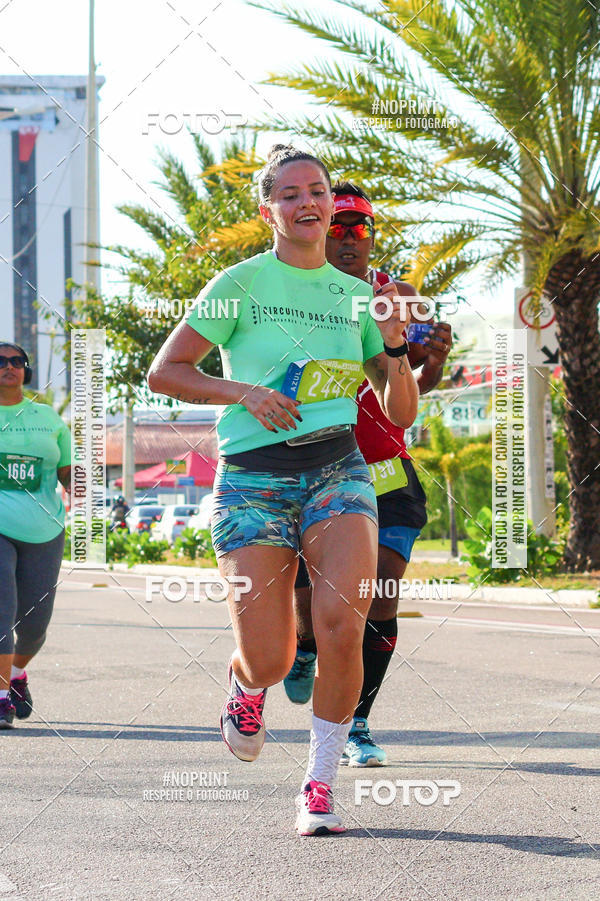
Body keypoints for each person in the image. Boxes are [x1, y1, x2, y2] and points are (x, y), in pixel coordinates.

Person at [147, 145, 419, 835]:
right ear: (268, 208)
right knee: (271, 656)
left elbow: (401, 410)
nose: (307, 203)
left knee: (341, 628)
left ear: (331, 203)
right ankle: (245, 684)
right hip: (254, 479)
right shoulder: (238, 283)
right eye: (291, 193)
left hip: (338, 469)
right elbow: (166, 371)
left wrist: (392, 347)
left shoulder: (357, 295)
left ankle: (319, 786)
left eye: (318, 191)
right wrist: (244, 392)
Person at [283, 182, 453, 766]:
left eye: (361, 227)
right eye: (339, 226)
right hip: (313, 470)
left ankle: (357, 723)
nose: (350, 237)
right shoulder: (292, 296)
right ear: (318, 227)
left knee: (380, 596)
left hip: (385, 471)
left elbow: (406, 394)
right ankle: (304, 647)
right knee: (314, 612)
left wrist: (431, 359)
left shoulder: (396, 296)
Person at [0, 343, 71, 728]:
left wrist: (78, 482)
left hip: (45, 528)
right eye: (0, 361)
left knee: (33, 627)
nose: (9, 367)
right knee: (1, 610)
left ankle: (15, 674)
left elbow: (65, 468)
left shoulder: (47, 417)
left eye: (16, 361)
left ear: (25, 370)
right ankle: (0, 700)